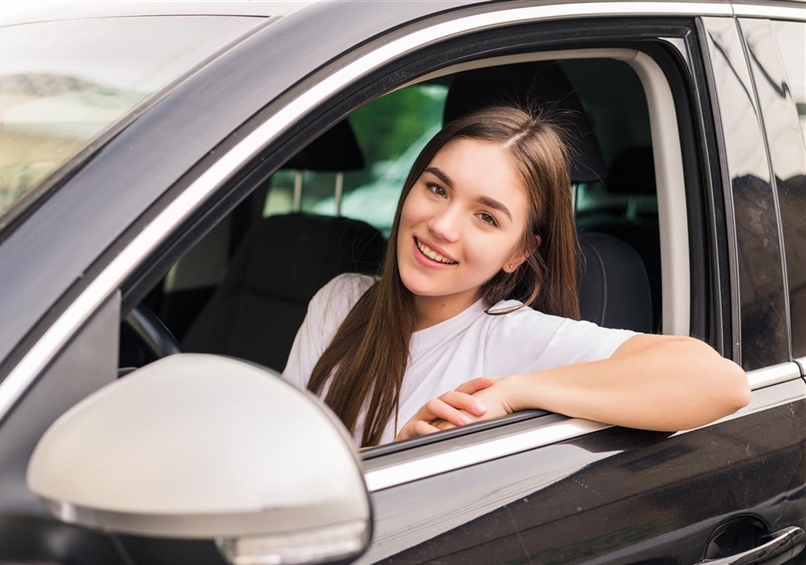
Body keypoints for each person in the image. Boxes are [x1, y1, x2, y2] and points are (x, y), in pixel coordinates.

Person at [282, 106, 750, 448]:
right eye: (437, 188)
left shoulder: (512, 337)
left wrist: (510, 393)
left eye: (486, 217)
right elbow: (281, 459)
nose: (443, 226)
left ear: (519, 253)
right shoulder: (341, 301)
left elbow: (721, 384)